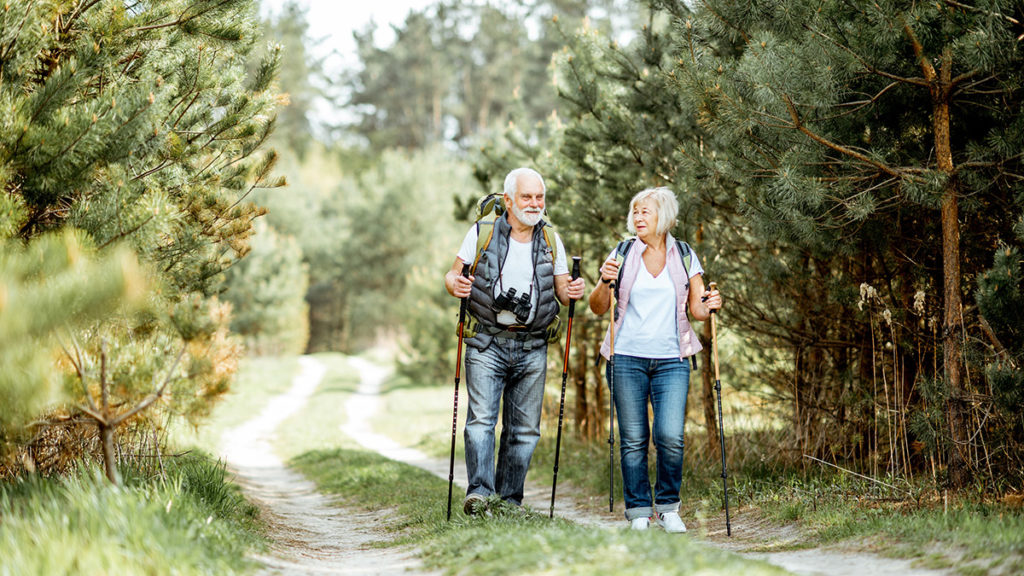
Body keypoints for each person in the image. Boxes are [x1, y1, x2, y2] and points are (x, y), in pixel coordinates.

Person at [444, 167, 585, 515]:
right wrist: (454, 284)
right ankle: (479, 494)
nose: (535, 203)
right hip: (485, 343)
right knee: (481, 423)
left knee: (524, 431)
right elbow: (453, 273)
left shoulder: (551, 239)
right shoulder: (482, 232)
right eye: (527, 196)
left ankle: (509, 501)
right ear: (508, 200)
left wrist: (574, 290)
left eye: (540, 197)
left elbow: (564, 291)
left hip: (533, 345)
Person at [588, 186, 722, 532]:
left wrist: (710, 305)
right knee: (633, 439)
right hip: (626, 358)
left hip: (671, 360)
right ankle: (638, 512)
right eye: (635, 212)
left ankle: (667, 507)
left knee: (670, 435)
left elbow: (697, 310)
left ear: (663, 215)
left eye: (645, 211)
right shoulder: (621, 253)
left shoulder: (685, 254)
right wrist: (604, 281)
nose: (638, 217)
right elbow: (597, 306)